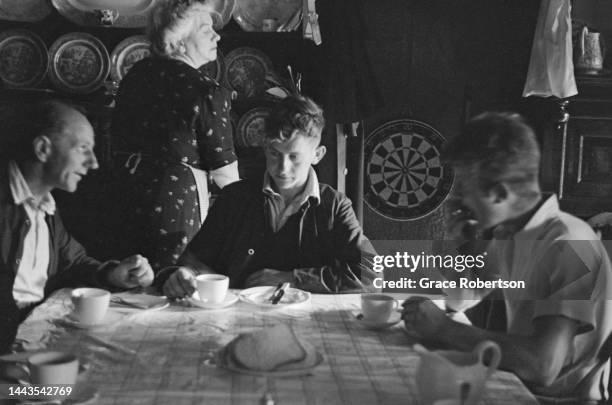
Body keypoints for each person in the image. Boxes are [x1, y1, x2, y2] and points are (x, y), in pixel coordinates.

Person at [401, 112, 612, 403]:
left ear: (499, 194)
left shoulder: (568, 244)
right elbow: (460, 298)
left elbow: (542, 366)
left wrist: (444, 328)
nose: (459, 200)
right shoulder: (510, 234)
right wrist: (454, 242)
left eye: (465, 189)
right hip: (519, 385)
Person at [160, 95, 376, 297]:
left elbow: (371, 274)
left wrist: (292, 278)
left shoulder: (335, 206)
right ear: (265, 148)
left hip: (305, 321)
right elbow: (193, 260)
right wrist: (187, 274)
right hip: (240, 316)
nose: (282, 168)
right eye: (274, 153)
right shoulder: (233, 198)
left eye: (294, 156)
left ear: (317, 155)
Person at [0, 100, 154, 354]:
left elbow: (73, 261)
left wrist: (114, 274)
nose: (93, 163)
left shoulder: (45, 206)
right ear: (43, 148)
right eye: (83, 148)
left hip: (34, 336)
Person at [111, 0, 239, 272]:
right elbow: (226, 177)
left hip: (123, 194)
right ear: (180, 42)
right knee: (172, 284)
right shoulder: (206, 91)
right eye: (206, 30)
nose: (217, 35)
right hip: (173, 207)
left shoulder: (135, 76)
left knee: (130, 282)